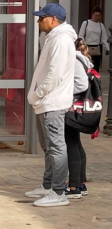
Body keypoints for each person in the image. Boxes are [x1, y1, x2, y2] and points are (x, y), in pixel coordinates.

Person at [25, 3, 76, 207]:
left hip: (52, 102)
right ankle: (48, 186)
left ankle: (58, 192)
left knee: (56, 148)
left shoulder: (61, 40)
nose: (38, 21)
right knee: (48, 147)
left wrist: (38, 94)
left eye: (42, 18)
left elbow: (54, 74)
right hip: (45, 102)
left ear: (53, 20)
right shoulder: (53, 38)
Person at [65, 38, 93, 199]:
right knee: (76, 144)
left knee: (71, 145)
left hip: (71, 106)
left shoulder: (74, 60)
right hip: (77, 107)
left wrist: (64, 92)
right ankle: (80, 183)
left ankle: (74, 185)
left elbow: (81, 85)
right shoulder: (83, 60)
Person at [78, 7, 108, 72]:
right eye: (96, 15)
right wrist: (81, 45)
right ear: (92, 15)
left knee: (96, 67)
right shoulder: (86, 23)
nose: (97, 17)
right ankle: (87, 80)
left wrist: (107, 48)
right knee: (87, 66)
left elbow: (104, 38)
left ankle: (95, 81)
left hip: (97, 47)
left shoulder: (101, 25)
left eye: (99, 16)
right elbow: (81, 35)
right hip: (87, 47)